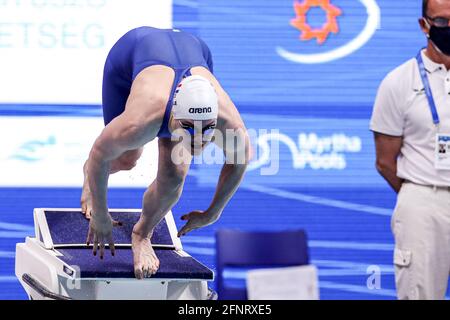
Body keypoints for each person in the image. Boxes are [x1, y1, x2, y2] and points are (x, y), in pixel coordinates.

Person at [81, 26, 250, 279]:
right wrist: (102, 215)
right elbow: (99, 154)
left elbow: (238, 163)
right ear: (173, 117)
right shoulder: (140, 120)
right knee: (126, 159)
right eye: (188, 131)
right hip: (130, 55)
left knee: (174, 176)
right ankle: (88, 177)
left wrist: (212, 212)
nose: (197, 142)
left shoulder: (231, 125)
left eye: (205, 134)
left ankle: (141, 235)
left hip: (195, 50)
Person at [370, 0, 450, 299]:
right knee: (420, 293)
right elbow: (385, 161)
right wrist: (418, 193)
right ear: (424, 25)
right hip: (423, 200)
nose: (449, 29)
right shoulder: (398, 82)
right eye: (442, 22)